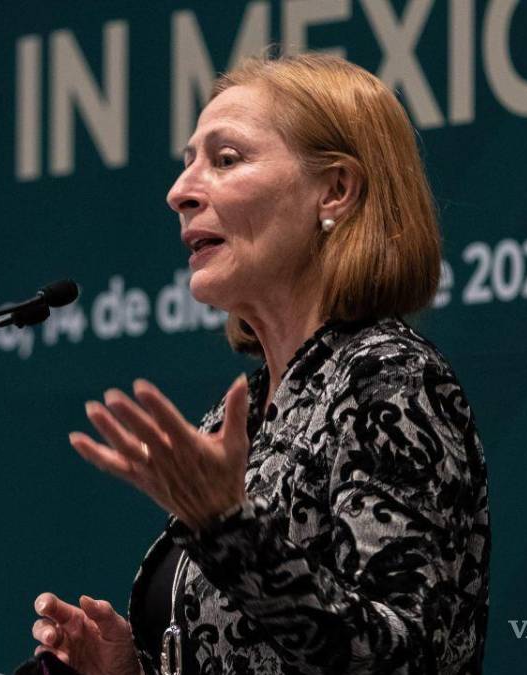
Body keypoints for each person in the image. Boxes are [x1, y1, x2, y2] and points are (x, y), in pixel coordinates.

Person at [30, 53, 490, 675]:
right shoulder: (243, 413)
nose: (178, 192)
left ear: (335, 190)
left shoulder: (389, 381)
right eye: (188, 161)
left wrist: (226, 528)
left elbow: (403, 658)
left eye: (225, 159)